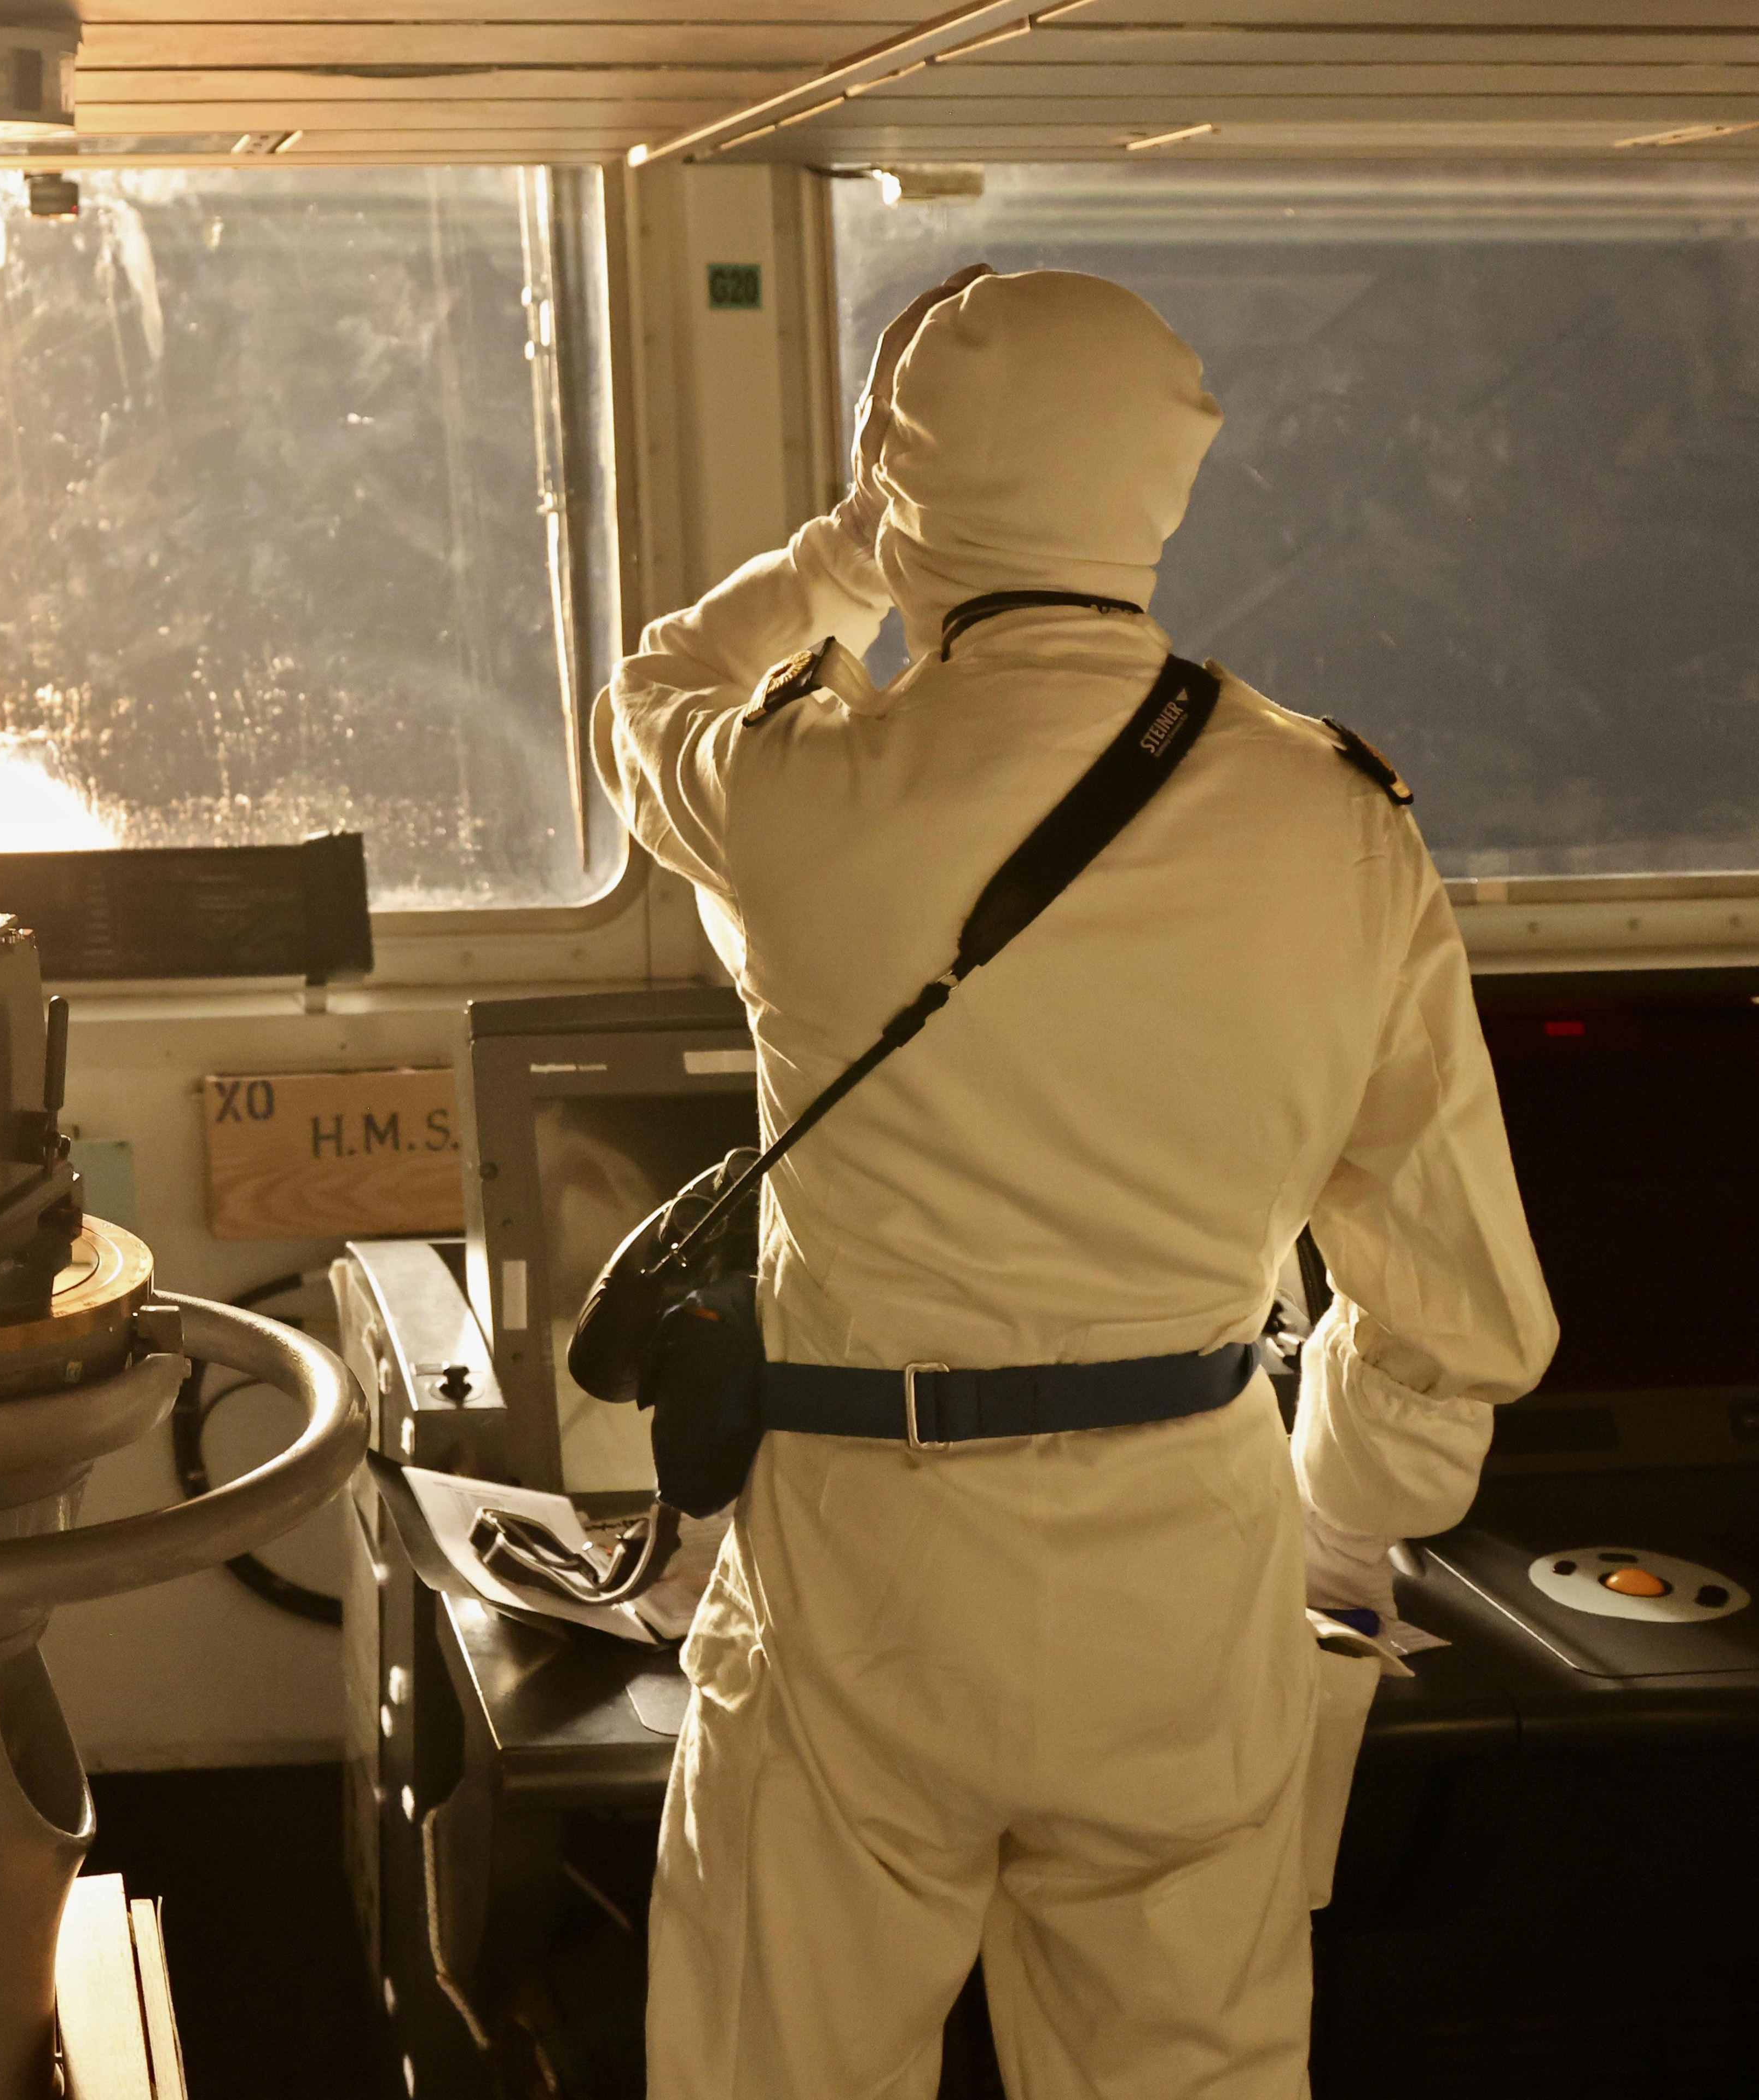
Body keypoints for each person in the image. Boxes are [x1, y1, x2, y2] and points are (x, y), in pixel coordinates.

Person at [598, 269, 1557, 2097]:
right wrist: (1342, 1535)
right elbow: (1455, 1303)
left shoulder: (797, 800)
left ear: (906, 489)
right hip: (1185, 1567)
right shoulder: (1340, 822)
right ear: (1163, 489)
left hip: (856, 1580)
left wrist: (846, 555)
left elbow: (651, 691)